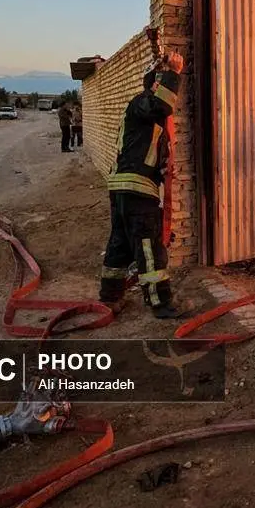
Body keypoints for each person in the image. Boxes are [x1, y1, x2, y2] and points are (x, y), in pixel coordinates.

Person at [98, 50, 185, 318]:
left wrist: (164, 168)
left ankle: (110, 297)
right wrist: (173, 73)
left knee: (121, 243)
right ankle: (161, 304)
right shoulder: (143, 103)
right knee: (149, 247)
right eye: (159, 84)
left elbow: (150, 150)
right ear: (153, 85)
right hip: (136, 189)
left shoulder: (145, 118)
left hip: (124, 187)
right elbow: (163, 105)